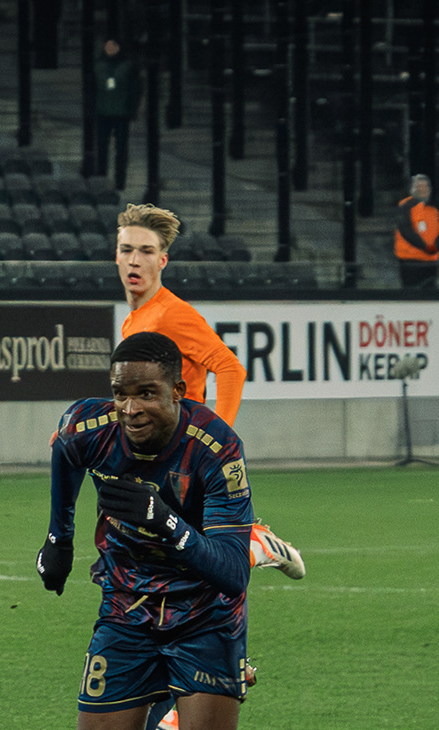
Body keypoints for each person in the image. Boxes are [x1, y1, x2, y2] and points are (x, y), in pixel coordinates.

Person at [36, 331, 254, 730]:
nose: (130, 408)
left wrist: (169, 524)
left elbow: (232, 574)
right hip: (127, 611)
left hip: (205, 616)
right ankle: (166, 694)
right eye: (120, 394)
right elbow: (65, 451)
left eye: (147, 394)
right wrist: (59, 537)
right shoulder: (89, 426)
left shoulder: (216, 448)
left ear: (179, 391)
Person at [115, 203, 302, 582]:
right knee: (174, 552)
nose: (134, 260)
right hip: (158, 446)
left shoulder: (171, 314)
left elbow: (230, 368)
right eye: (126, 250)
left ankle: (257, 544)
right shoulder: (135, 320)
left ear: (162, 261)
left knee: (195, 558)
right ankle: (256, 543)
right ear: (115, 256)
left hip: (184, 449)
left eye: (146, 251)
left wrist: (217, 438)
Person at [92, 38, 139, 191]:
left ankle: (119, 181)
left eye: (113, 46)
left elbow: (134, 89)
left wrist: (132, 109)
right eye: (108, 46)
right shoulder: (99, 65)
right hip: (104, 111)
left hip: (120, 113)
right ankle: (102, 178)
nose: (110, 49)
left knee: (120, 149)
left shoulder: (127, 66)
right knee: (102, 147)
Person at [393, 174, 439, 290]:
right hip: (411, 260)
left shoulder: (433, 209)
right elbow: (406, 230)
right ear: (413, 189)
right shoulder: (405, 206)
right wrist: (425, 247)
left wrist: (438, 246)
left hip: (430, 260)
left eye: (426, 186)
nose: (424, 189)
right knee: (412, 293)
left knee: (430, 292)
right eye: (420, 186)